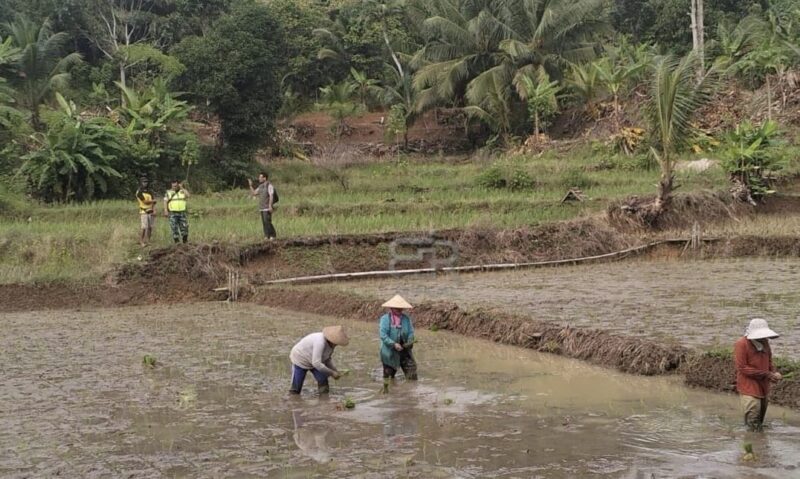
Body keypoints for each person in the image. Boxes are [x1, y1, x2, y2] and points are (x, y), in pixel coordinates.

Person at [734, 318, 782, 431]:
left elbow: (769, 361)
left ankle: (759, 442)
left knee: (760, 417)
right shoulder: (741, 344)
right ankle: (752, 441)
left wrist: (773, 373)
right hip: (748, 386)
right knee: (753, 416)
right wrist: (767, 374)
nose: (763, 338)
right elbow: (742, 368)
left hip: (763, 385)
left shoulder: (765, 342)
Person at [289, 325, 349, 395]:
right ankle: (293, 401)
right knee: (296, 388)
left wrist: (335, 370)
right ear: (331, 340)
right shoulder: (320, 342)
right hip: (300, 359)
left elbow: (327, 359)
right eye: (336, 343)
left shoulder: (331, 345)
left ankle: (324, 399)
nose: (336, 345)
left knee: (323, 380)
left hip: (315, 359)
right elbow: (316, 363)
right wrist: (332, 373)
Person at [379, 295, 417, 381]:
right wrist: (394, 344)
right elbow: (383, 335)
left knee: (412, 376)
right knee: (388, 379)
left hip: (405, 349)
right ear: (391, 308)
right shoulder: (385, 319)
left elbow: (411, 332)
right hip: (389, 352)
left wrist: (410, 341)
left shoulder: (406, 319)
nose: (399, 310)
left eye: (401, 308)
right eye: (397, 308)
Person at [248, 172, 276, 240]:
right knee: (264, 223)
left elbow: (271, 196)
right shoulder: (260, 186)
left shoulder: (269, 186)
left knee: (267, 221)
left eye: (260, 177)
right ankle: (266, 235)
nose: (259, 178)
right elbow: (254, 193)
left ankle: (272, 235)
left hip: (267, 207)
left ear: (264, 178)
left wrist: (270, 206)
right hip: (262, 207)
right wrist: (251, 186)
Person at [164, 179, 190, 244]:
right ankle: (177, 243)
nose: (174, 187)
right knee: (174, 227)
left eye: (175, 186)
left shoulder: (182, 191)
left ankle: (185, 241)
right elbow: (165, 201)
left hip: (182, 212)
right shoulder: (168, 192)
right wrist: (166, 210)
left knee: (184, 227)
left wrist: (182, 188)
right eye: (173, 186)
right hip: (173, 213)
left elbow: (188, 195)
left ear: (178, 185)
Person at [135, 177, 157, 246]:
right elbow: (145, 202)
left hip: (151, 211)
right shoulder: (139, 192)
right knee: (144, 227)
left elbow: (154, 202)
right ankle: (141, 241)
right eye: (144, 182)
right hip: (143, 211)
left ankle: (148, 241)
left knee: (150, 227)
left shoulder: (150, 191)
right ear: (141, 183)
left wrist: (154, 210)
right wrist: (153, 201)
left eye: (146, 182)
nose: (145, 183)